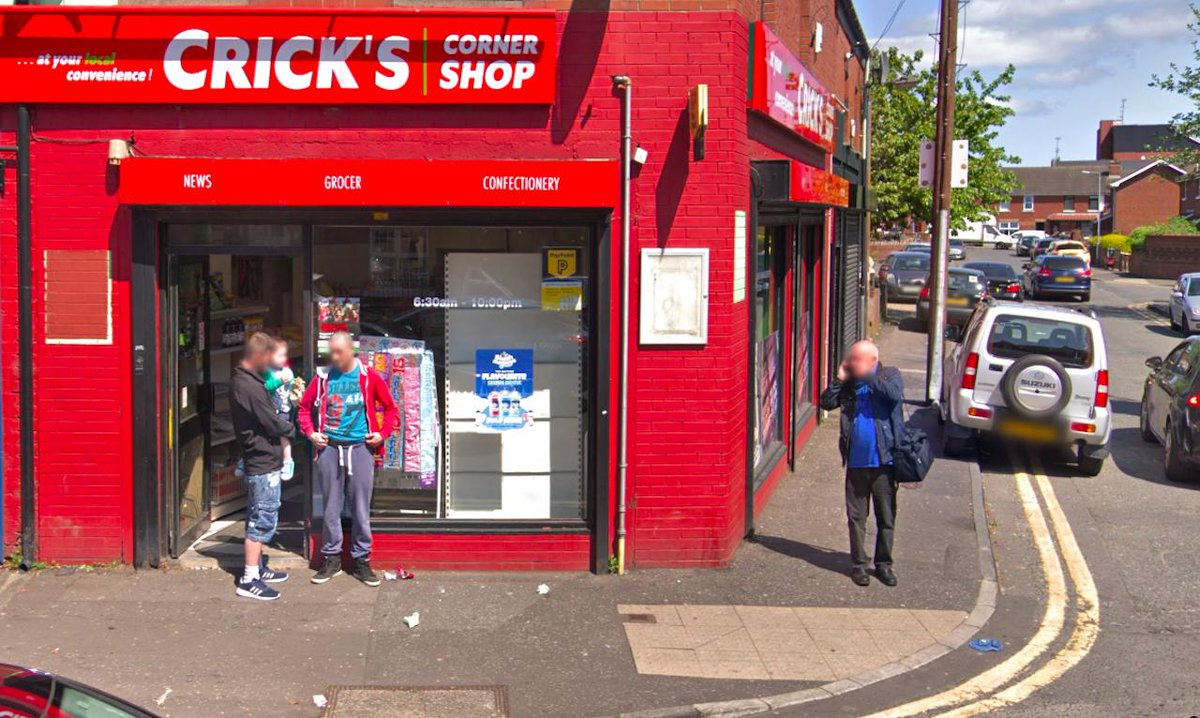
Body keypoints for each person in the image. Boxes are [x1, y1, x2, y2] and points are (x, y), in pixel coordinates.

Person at [299, 331, 399, 587]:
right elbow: (303, 408)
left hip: (360, 449)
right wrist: (311, 434)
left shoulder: (369, 377)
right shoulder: (322, 378)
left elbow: (390, 408)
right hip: (330, 448)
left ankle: (361, 560)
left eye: (338, 352)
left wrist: (381, 434)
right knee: (331, 507)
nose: (333, 357)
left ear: (351, 351)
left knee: (360, 508)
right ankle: (331, 559)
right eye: (330, 352)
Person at [819, 340, 905, 588]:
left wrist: (867, 376)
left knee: (886, 517)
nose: (852, 364)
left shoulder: (890, 376)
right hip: (856, 464)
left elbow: (893, 395)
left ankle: (884, 565)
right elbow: (826, 402)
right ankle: (859, 566)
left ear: (872, 361)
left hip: (884, 462)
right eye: (851, 360)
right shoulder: (849, 385)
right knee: (856, 518)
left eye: (857, 360)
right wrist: (839, 379)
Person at [229, 332, 296, 601]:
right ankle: (249, 578)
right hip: (262, 460)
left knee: (258, 514)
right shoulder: (250, 388)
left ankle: (257, 568)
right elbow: (271, 422)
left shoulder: (247, 381)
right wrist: (295, 428)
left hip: (261, 457)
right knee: (260, 519)